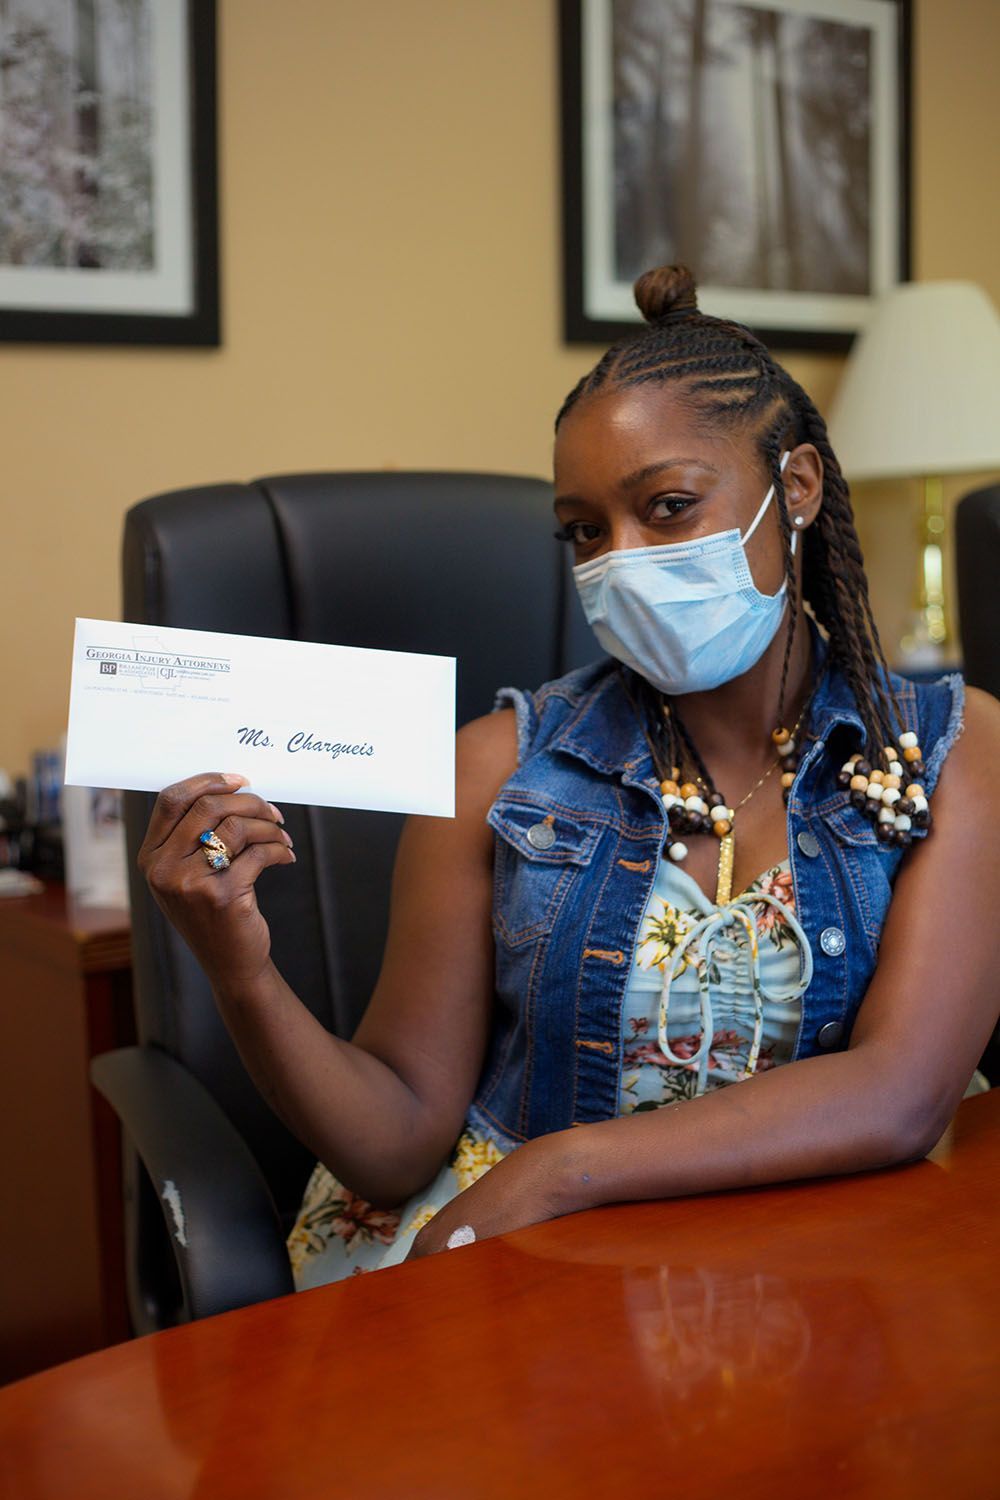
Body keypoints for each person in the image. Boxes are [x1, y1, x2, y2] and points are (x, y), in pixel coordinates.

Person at [140, 266, 1000, 1289]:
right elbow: (395, 1139)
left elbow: (900, 1093)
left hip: (819, 1263)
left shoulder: (947, 750)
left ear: (797, 487)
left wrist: (565, 1169)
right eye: (586, 531)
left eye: (668, 507)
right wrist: (239, 970)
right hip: (532, 1273)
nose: (618, 562)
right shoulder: (493, 769)